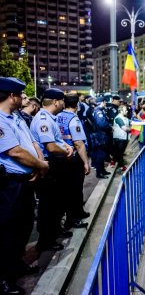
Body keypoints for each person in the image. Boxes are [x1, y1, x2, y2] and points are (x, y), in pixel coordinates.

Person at [0, 77, 49, 295]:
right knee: (7, 231)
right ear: (12, 96)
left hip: (28, 180)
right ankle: (3, 279)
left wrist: (39, 165)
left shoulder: (17, 117)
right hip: (10, 185)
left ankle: (16, 264)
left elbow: (32, 143)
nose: (23, 98)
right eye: (20, 95)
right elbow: (15, 152)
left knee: (24, 226)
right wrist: (41, 165)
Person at [30, 88, 74, 252]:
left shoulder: (49, 118)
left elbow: (57, 141)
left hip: (55, 165)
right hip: (50, 166)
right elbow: (51, 146)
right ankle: (46, 241)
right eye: (62, 100)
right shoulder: (43, 120)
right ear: (56, 102)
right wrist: (66, 152)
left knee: (56, 203)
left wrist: (66, 147)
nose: (63, 103)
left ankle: (54, 231)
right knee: (49, 205)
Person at [56, 93, 90, 230]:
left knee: (69, 190)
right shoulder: (73, 119)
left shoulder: (57, 116)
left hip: (62, 157)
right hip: (73, 159)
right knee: (74, 190)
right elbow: (78, 143)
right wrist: (86, 162)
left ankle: (78, 212)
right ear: (77, 105)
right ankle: (73, 219)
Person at [112, 105, 130, 171]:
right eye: (125, 110)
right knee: (120, 152)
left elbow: (132, 122)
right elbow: (124, 128)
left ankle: (113, 161)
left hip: (123, 137)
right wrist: (131, 129)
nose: (127, 111)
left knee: (118, 151)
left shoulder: (125, 118)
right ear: (121, 111)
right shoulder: (118, 118)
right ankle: (121, 165)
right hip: (119, 138)